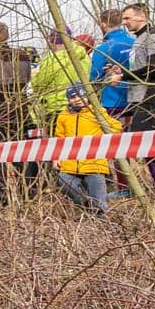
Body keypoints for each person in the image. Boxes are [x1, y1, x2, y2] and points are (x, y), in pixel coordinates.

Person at [110, 2, 155, 192]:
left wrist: (123, 76)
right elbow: (142, 67)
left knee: (142, 139)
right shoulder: (138, 39)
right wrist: (122, 71)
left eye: (127, 18)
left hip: (150, 96)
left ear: (141, 17)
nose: (124, 23)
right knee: (151, 142)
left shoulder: (152, 35)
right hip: (138, 96)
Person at [0, 23, 38, 201]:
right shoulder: (22, 56)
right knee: (21, 156)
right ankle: (28, 193)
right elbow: (27, 80)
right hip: (19, 111)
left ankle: (3, 197)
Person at [52, 83, 119, 212]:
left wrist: (105, 140)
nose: (77, 99)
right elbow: (59, 138)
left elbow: (116, 128)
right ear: (68, 99)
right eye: (73, 97)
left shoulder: (98, 113)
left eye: (81, 96)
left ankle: (101, 222)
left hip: (94, 163)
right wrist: (56, 158)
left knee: (99, 201)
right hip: (70, 163)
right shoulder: (63, 116)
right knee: (64, 181)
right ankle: (85, 206)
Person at [90, 9, 134, 119]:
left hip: (112, 102)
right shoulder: (135, 42)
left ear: (104, 25)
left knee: (115, 135)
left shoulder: (103, 49)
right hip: (136, 99)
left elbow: (95, 76)